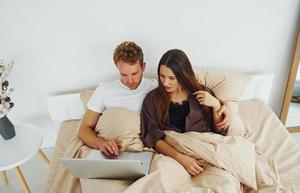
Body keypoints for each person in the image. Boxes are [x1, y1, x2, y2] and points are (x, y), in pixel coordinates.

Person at [78, 42, 230, 157]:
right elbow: (84, 128)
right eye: (123, 74)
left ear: (143, 67)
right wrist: (101, 144)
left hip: (154, 149)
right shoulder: (105, 90)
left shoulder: (156, 87)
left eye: (135, 73)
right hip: (118, 149)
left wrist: (222, 105)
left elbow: (189, 90)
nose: (130, 80)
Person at [141, 49, 229, 176]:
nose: (165, 82)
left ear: (183, 75)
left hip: (206, 151)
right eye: (162, 76)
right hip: (172, 155)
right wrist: (181, 158)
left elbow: (220, 131)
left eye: (172, 78)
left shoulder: (203, 93)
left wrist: (216, 105)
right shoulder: (152, 99)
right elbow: (151, 136)